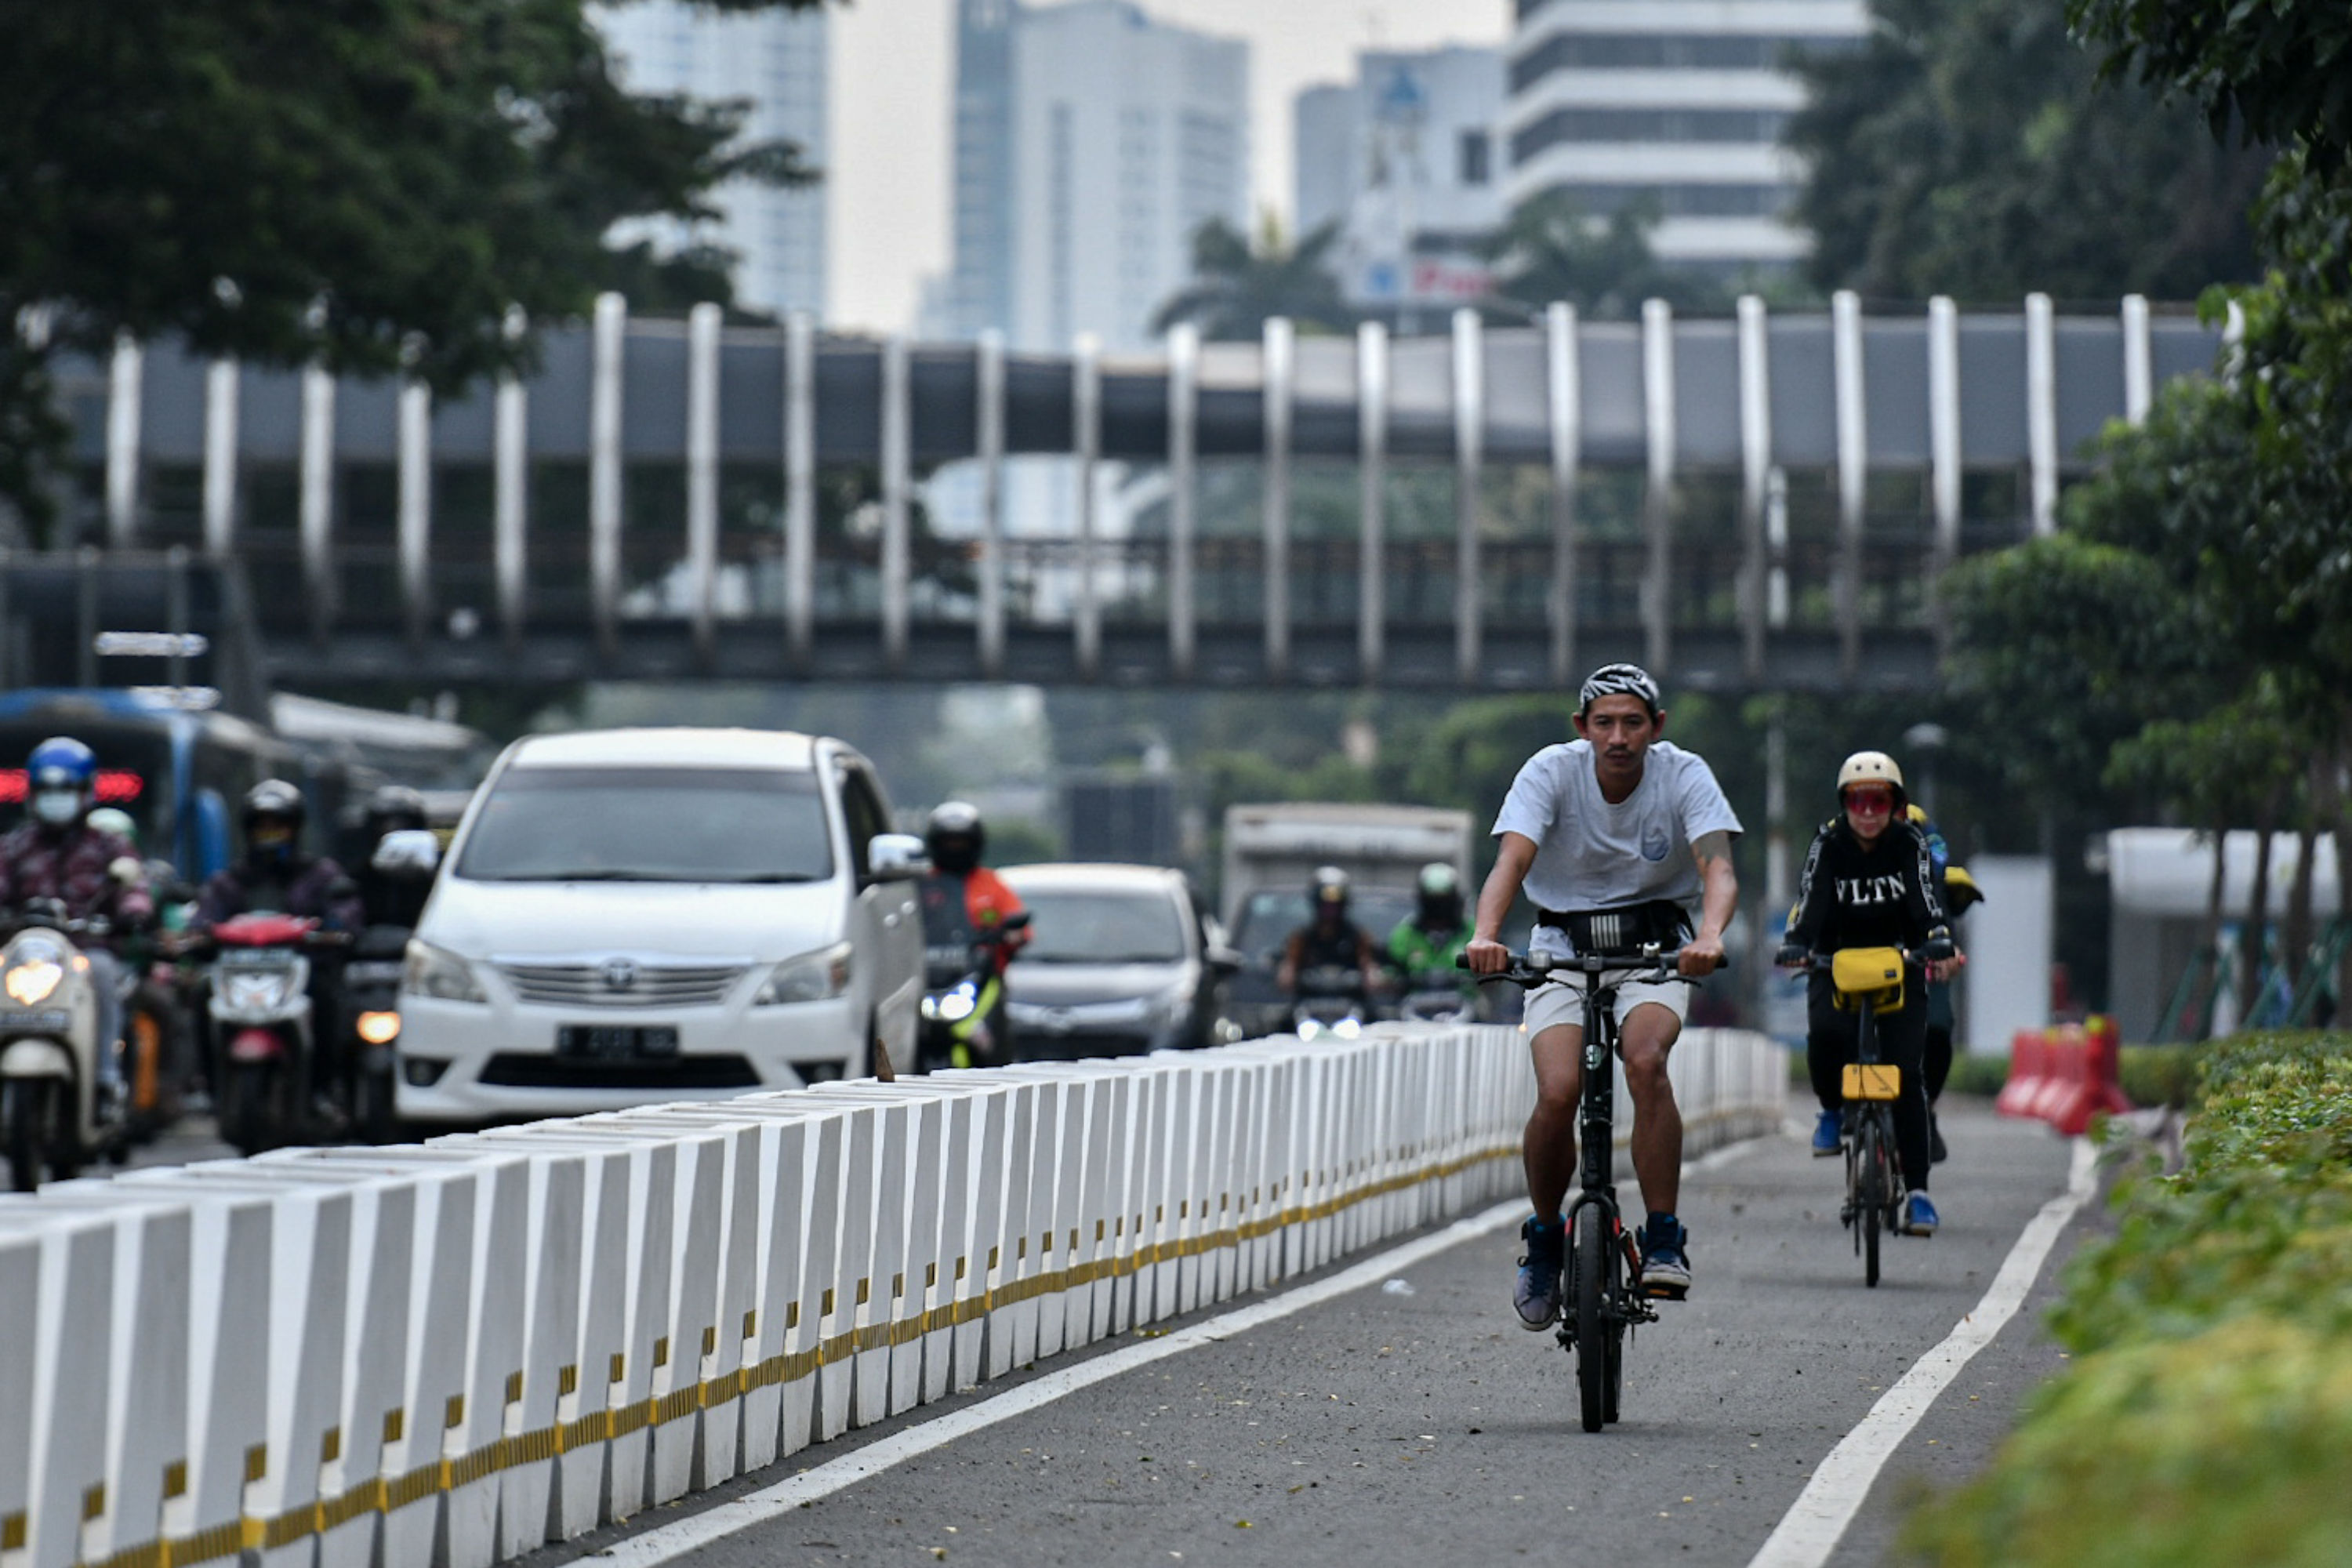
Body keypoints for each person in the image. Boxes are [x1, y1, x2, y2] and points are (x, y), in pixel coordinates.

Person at [1465, 663, 1740, 1318]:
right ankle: (1543, 1238)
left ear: (1657, 727)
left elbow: (1718, 866)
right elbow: (1514, 859)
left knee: (1645, 1061)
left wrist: (1709, 936)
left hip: (1655, 951)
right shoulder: (1550, 773)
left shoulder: (1684, 774)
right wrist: (1486, 934)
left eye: (1633, 723)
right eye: (1604, 723)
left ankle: (1665, 1235)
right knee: (1558, 1092)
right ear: (1582, 728)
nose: (1618, 737)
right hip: (1563, 948)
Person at [1778, 752, 1958, 1236]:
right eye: (1858, 801)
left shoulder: (1910, 843)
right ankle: (1833, 1112)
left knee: (1905, 1076)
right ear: (1845, 804)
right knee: (1826, 1039)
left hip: (1898, 964)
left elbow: (1925, 899)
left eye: (1879, 800)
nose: (1869, 811)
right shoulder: (1828, 842)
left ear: (1895, 804)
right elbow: (1811, 900)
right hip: (1835, 963)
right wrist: (1798, 944)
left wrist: (1937, 938)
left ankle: (1918, 1194)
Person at [0, 739, 157, 1103]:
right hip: (25, 954)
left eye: (66, 790)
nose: (57, 798)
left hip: (86, 951)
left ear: (86, 792)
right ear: (34, 794)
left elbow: (136, 887)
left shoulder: (108, 845)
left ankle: (105, 1079)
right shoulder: (14, 847)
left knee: (102, 974)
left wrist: (134, 912)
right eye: (48, 790)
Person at [918, 800, 1029, 1067]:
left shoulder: (991, 885)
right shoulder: (922, 885)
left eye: (962, 843)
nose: (955, 849)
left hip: (979, 980)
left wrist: (1010, 935)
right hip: (930, 977)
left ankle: (993, 1063)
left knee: (990, 1038)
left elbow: (1020, 925)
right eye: (948, 842)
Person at [195, 780, 365, 931]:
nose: (270, 834)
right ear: (249, 831)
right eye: (262, 827)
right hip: (234, 963)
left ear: (295, 829)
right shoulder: (228, 882)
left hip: (309, 962)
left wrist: (335, 923)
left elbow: (345, 913)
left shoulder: (321, 875)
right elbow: (203, 920)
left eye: (278, 827)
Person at [1277, 865, 1382, 1001]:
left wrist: (1372, 976)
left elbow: (1368, 965)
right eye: (1325, 906)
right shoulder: (1301, 937)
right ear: (1316, 904)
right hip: (1309, 1004)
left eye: (1335, 906)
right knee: (1280, 1022)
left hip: (1351, 1004)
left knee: (1377, 1019)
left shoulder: (1358, 937)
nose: (1330, 911)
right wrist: (1287, 974)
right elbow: (1289, 966)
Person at [354, 784, 435, 930]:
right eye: (385, 823)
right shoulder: (359, 879)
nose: (394, 830)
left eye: (403, 823)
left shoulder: (436, 881)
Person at [1388, 861, 1474, 978]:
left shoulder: (1472, 934)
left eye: (1444, 901)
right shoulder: (1405, 935)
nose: (1438, 908)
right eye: (1433, 902)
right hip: (1416, 995)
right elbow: (1391, 971)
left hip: (1463, 995)